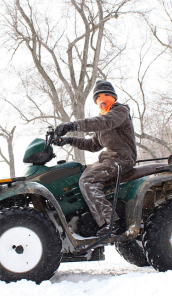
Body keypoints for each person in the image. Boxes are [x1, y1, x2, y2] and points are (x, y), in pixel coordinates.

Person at [53, 80, 137, 236]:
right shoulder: (103, 119)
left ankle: (110, 222)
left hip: (123, 159)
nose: (101, 101)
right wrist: (69, 140)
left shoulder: (120, 112)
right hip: (109, 160)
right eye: (98, 98)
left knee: (87, 180)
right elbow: (93, 145)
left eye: (104, 97)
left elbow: (104, 122)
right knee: (79, 173)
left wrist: (72, 125)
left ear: (112, 97)